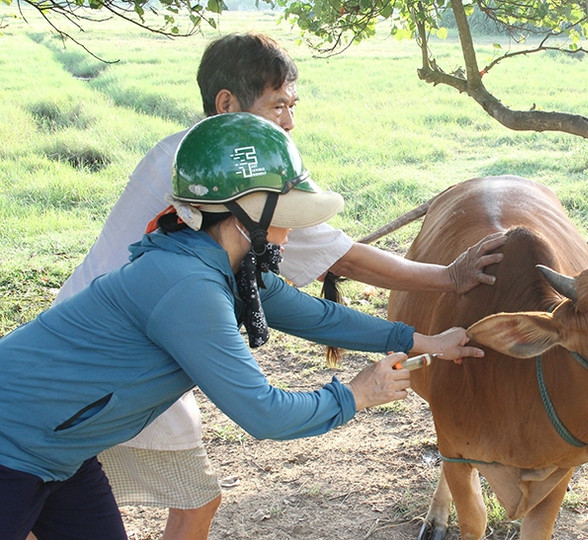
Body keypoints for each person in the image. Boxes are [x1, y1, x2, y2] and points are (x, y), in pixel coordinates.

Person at [48, 33, 506, 540]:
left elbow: (307, 311)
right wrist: (363, 386)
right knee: (178, 496)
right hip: (96, 375)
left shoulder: (196, 186)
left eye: (293, 105)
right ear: (227, 105)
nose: (289, 120)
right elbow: (268, 407)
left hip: (91, 362)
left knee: (122, 492)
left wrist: (418, 341)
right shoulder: (231, 200)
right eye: (278, 105)